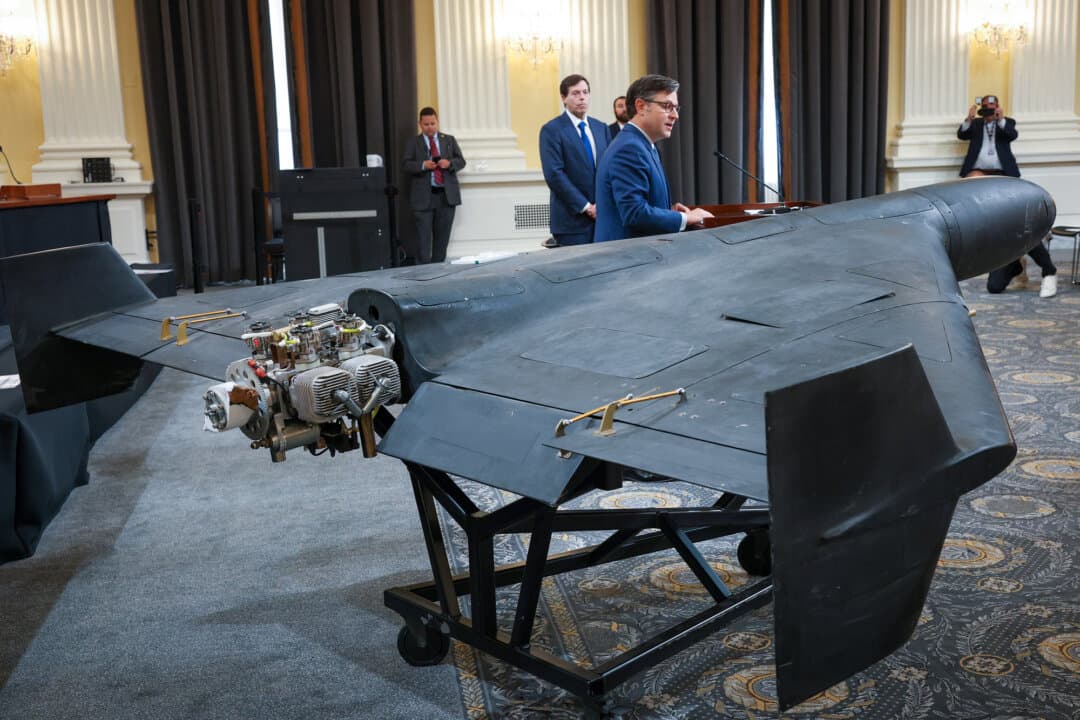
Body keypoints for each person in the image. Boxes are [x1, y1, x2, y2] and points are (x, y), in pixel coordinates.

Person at [594, 74, 713, 243]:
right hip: (626, 255)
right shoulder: (629, 148)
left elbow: (638, 203)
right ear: (641, 106)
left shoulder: (643, 145)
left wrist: (669, 212)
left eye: (676, 108)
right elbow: (634, 213)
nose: (675, 115)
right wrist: (686, 218)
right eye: (667, 106)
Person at [959, 94, 1057, 297]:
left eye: (992, 107)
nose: (988, 110)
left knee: (1018, 225)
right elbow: (962, 135)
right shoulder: (975, 124)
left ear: (998, 107)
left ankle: (1049, 271)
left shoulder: (1006, 122)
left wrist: (1000, 119)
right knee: (994, 287)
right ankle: (1015, 266)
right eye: (985, 107)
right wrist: (969, 119)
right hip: (980, 175)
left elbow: (1011, 135)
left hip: (1005, 175)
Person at [539, 74, 611, 246]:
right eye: (576, 93)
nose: (582, 97)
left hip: (603, 218)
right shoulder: (551, 130)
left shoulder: (601, 128)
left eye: (585, 92)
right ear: (563, 98)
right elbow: (554, 175)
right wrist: (587, 207)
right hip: (571, 222)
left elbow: (610, 169)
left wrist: (603, 204)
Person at [402, 107, 465, 263]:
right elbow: (405, 165)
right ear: (420, 124)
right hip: (423, 197)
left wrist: (449, 163)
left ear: (437, 122)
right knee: (423, 242)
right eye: (426, 124)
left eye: (433, 123)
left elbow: (461, 161)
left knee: (442, 241)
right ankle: (423, 272)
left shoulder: (449, 140)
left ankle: (438, 270)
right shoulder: (413, 142)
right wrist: (423, 165)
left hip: (445, 197)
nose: (430, 127)